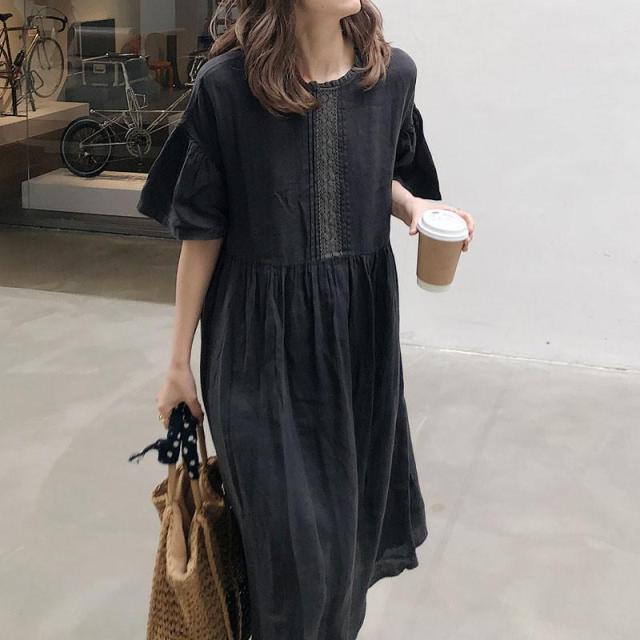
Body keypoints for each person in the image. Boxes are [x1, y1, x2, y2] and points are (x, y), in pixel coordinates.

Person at [137, 0, 475, 638]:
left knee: (344, 550)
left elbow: (372, 172)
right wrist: (178, 363)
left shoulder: (391, 76)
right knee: (289, 555)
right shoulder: (227, 87)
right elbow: (202, 232)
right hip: (256, 346)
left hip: (356, 345)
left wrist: (414, 209)